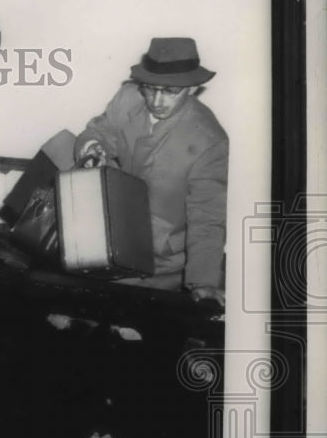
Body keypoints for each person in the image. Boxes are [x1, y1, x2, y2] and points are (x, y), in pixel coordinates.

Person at [74, 37, 228, 305]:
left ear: (192, 88)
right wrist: (92, 148)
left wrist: (203, 282)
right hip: (110, 239)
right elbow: (100, 130)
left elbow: (207, 216)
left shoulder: (210, 140)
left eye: (170, 91)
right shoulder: (128, 97)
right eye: (150, 88)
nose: (156, 100)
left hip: (159, 264)